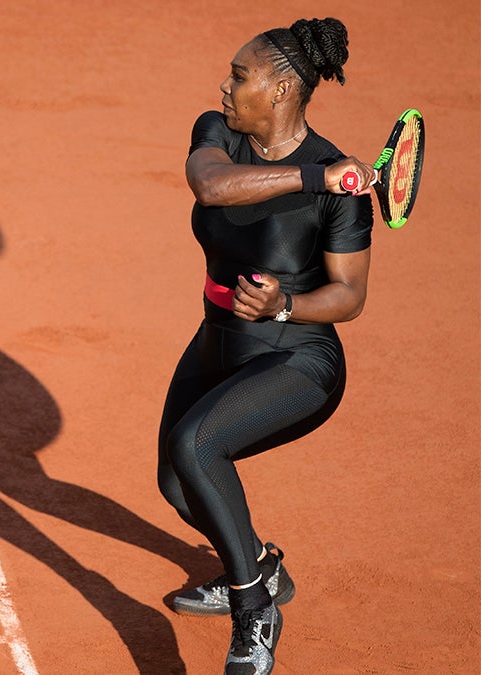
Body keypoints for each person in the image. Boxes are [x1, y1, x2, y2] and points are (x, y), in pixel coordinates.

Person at [156, 17, 376, 675]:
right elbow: (212, 185)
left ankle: (254, 611)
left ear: (282, 88)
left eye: (240, 76)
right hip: (217, 336)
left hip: (298, 357)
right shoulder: (219, 132)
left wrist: (286, 304)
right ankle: (259, 569)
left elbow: (349, 295)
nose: (226, 87)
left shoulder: (342, 194)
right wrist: (317, 179)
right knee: (176, 482)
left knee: (197, 446)